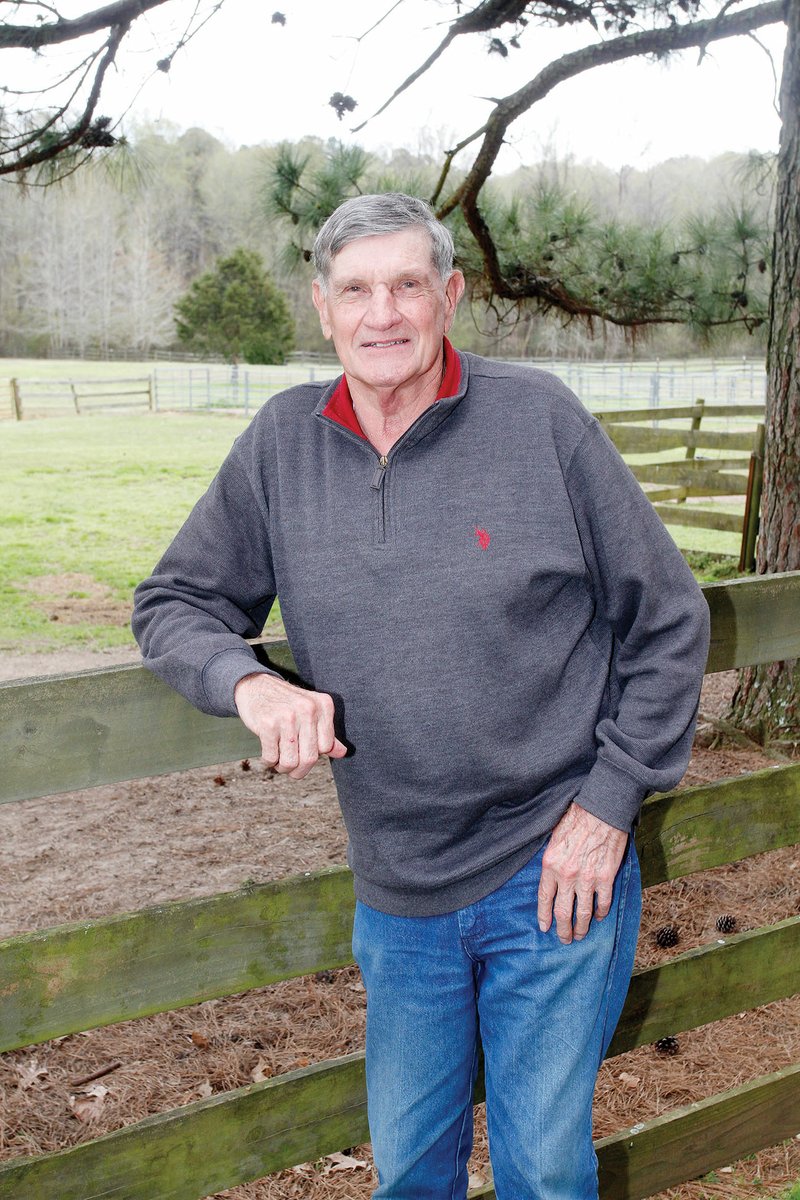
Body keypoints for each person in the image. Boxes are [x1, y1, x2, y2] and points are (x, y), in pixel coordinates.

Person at [132, 192, 710, 1199]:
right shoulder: (281, 444)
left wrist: (609, 804)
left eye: (406, 284)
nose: (381, 313)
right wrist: (248, 684)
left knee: (540, 1171)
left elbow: (666, 619)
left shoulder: (538, 422)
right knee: (408, 1174)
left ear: (447, 296)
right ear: (321, 308)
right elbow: (174, 603)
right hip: (398, 891)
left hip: (554, 871)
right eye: (355, 290)